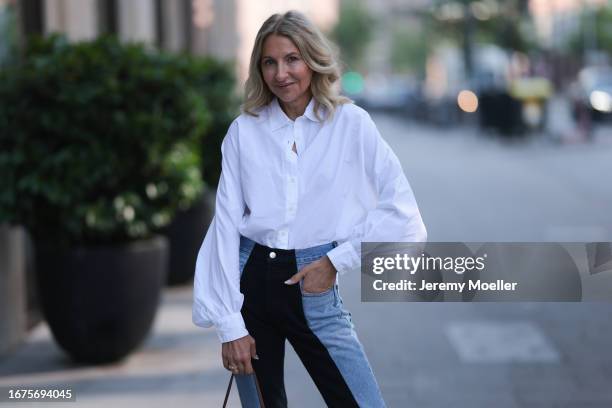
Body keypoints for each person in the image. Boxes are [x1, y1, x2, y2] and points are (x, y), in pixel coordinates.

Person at [192, 10, 426, 407]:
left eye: (291, 59)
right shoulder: (243, 132)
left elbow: (405, 214)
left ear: (312, 61)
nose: (281, 73)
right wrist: (230, 325)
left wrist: (337, 261)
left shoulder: (351, 124)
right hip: (250, 286)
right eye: (269, 62)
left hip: (314, 279)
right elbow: (226, 226)